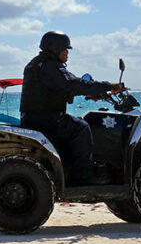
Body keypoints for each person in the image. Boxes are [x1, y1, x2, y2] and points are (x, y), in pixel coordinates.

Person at [19, 31, 123, 185]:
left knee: (75, 125)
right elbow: (73, 84)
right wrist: (109, 86)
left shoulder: (38, 63)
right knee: (81, 127)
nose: (67, 53)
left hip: (34, 116)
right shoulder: (51, 66)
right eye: (65, 49)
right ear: (55, 49)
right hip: (47, 118)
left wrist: (89, 93)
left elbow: (58, 88)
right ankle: (84, 175)